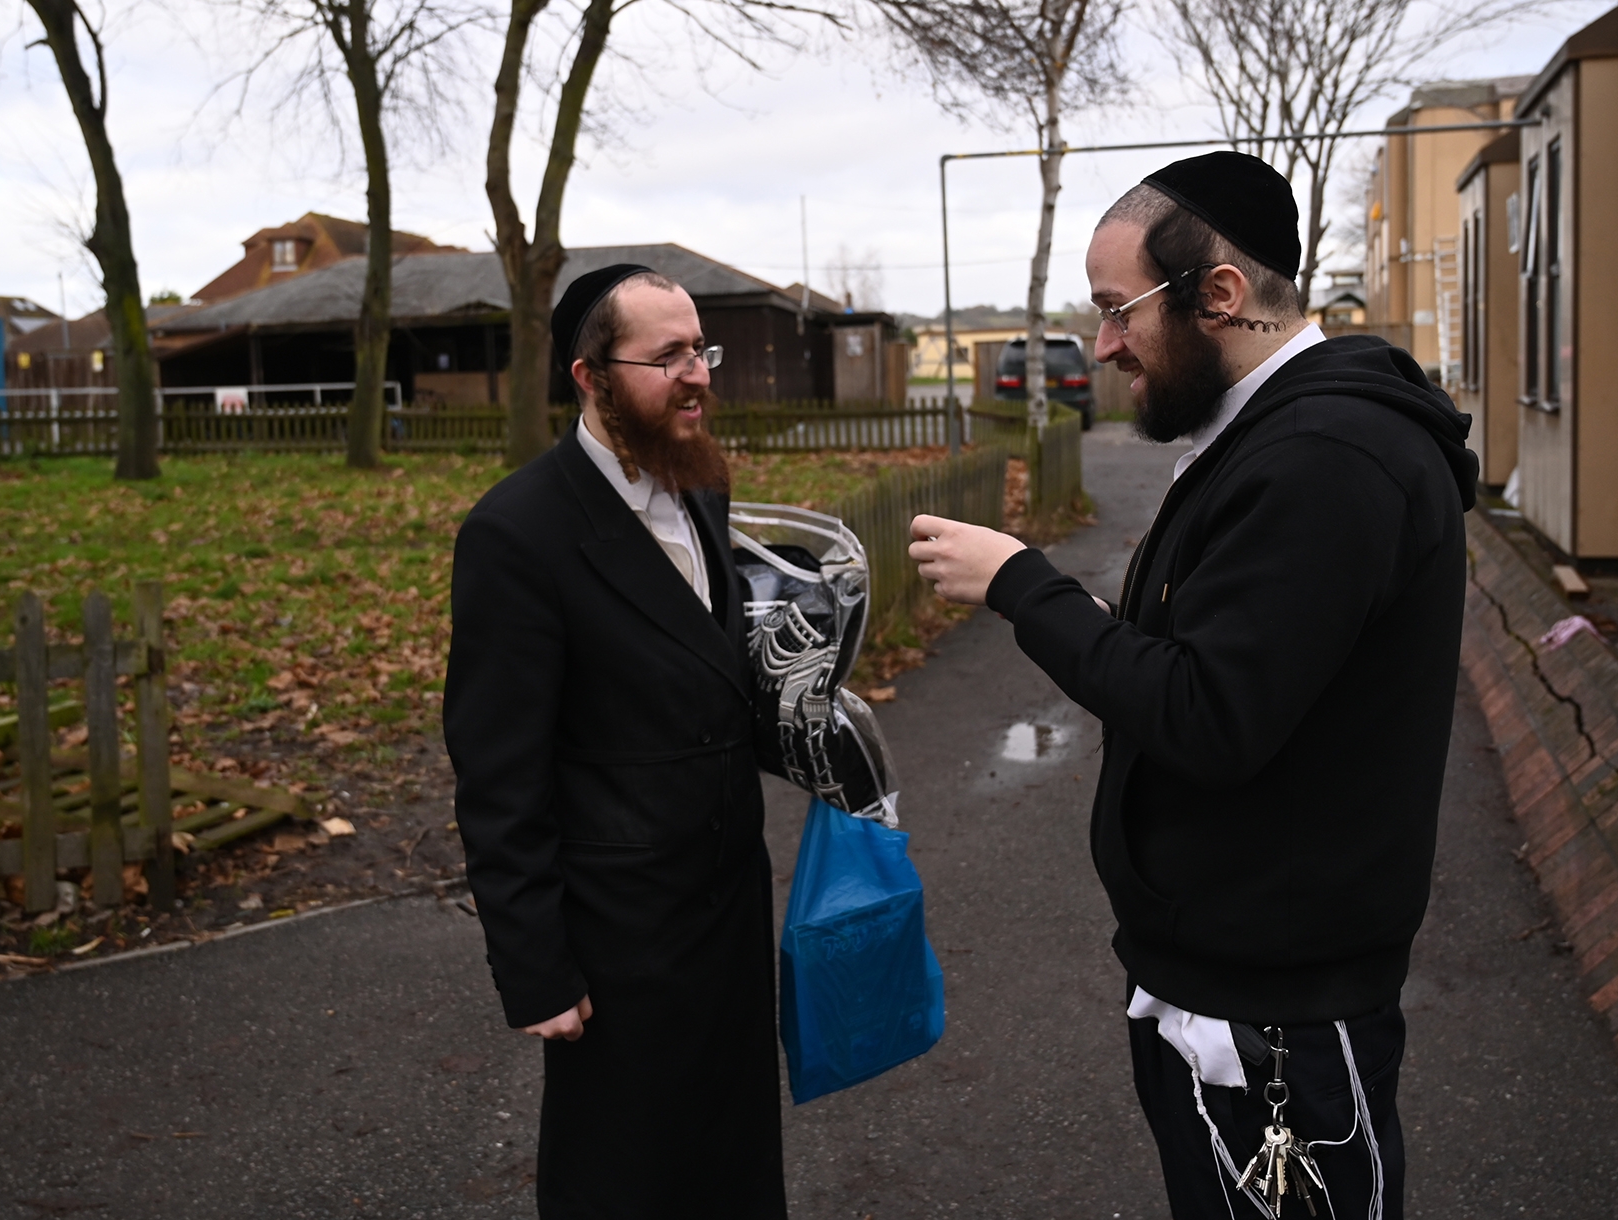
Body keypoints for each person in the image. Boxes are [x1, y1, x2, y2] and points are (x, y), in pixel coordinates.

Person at [909, 151, 1478, 1220]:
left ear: (1218, 294)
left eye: (1118, 310)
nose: (1104, 344)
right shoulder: (1264, 437)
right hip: (1223, 982)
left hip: (1278, 1016)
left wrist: (1023, 585)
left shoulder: (1327, 457)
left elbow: (1209, 713)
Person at [443, 264, 785, 1218]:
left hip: (726, 907)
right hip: (618, 938)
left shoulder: (698, 489)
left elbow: (707, 684)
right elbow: (497, 773)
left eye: (700, 350)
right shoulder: (519, 533)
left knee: (734, 1157)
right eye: (666, 355)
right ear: (590, 378)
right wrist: (536, 969)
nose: (697, 375)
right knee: (624, 1175)